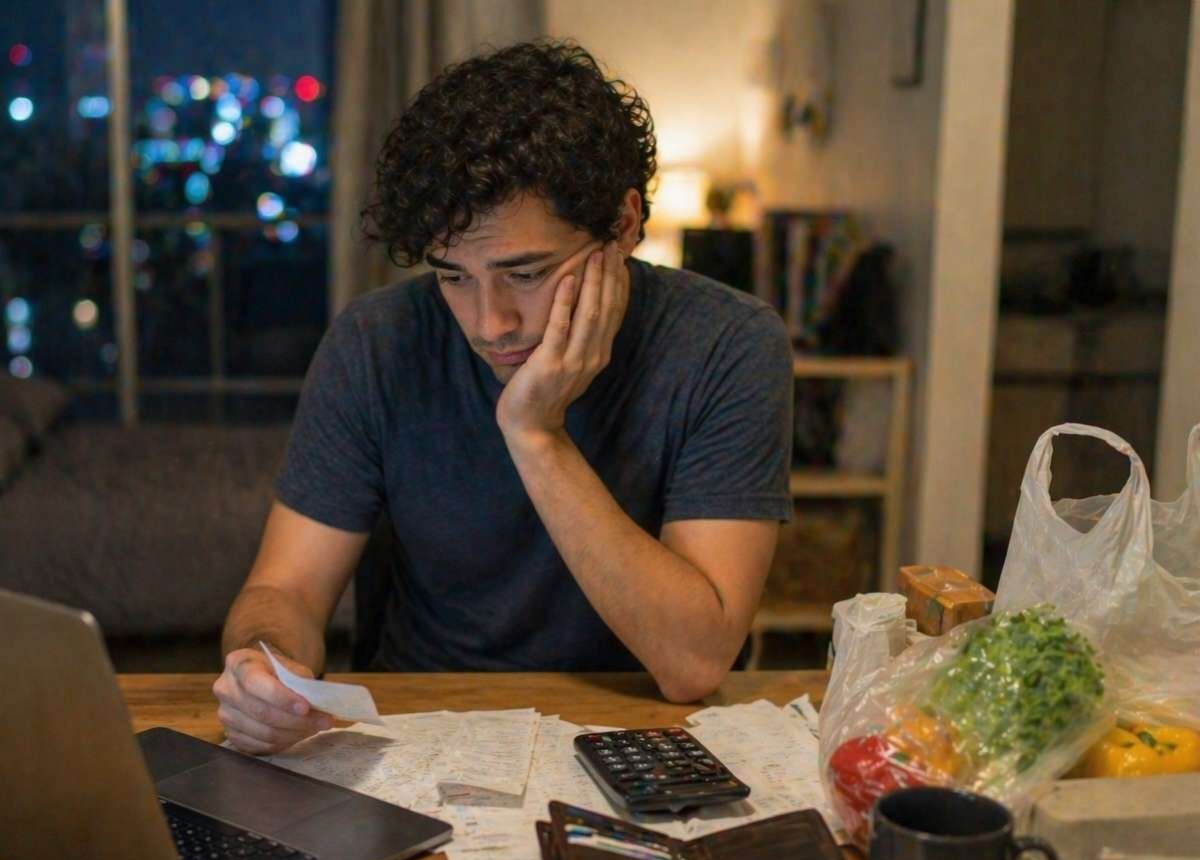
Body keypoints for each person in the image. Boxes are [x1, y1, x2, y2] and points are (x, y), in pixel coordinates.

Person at [215, 40, 792, 755]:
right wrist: (261, 665)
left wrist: (536, 434)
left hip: (646, 734)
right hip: (421, 732)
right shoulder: (375, 342)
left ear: (623, 225)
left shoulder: (728, 345)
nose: (490, 324)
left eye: (525, 273)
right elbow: (287, 592)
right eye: (453, 276)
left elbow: (695, 661)